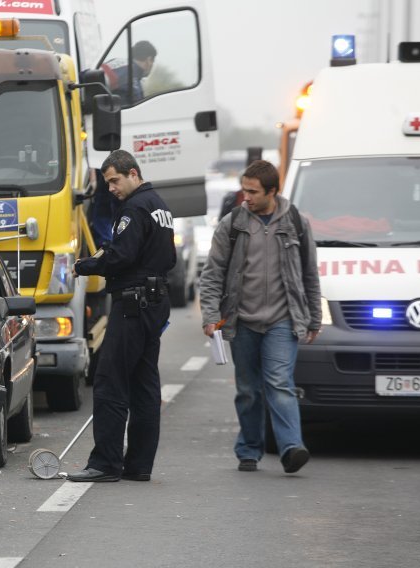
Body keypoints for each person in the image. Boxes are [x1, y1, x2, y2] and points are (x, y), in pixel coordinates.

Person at [198, 160, 321, 474]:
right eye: (244, 190)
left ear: (272, 191)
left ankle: (291, 447)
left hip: (283, 320)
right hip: (242, 321)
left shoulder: (294, 221)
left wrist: (314, 318)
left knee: (279, 383)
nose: (246, 197)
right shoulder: (233, 223)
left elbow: (309, 272)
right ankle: (249, 449)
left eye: (253, 192)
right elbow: (213, 274)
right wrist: (211, 315)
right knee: (249, 390)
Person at [67, 149, 175, 483]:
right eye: (108, 182)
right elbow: (165, 256)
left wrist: (85, 265)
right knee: (144, 385)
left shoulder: (134, 208)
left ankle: (105, 464)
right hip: (154, 301)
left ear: (133, 173)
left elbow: (122, 256)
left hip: (132, 303)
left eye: (115, 180)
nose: (111, 188)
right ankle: (139, 465)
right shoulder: (160, 206)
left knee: (110, 381)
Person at [102, 40, 157, 105]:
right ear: (149, 60)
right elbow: (137, 108)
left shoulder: (116, 62)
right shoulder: (133, 78)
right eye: (153, 61)